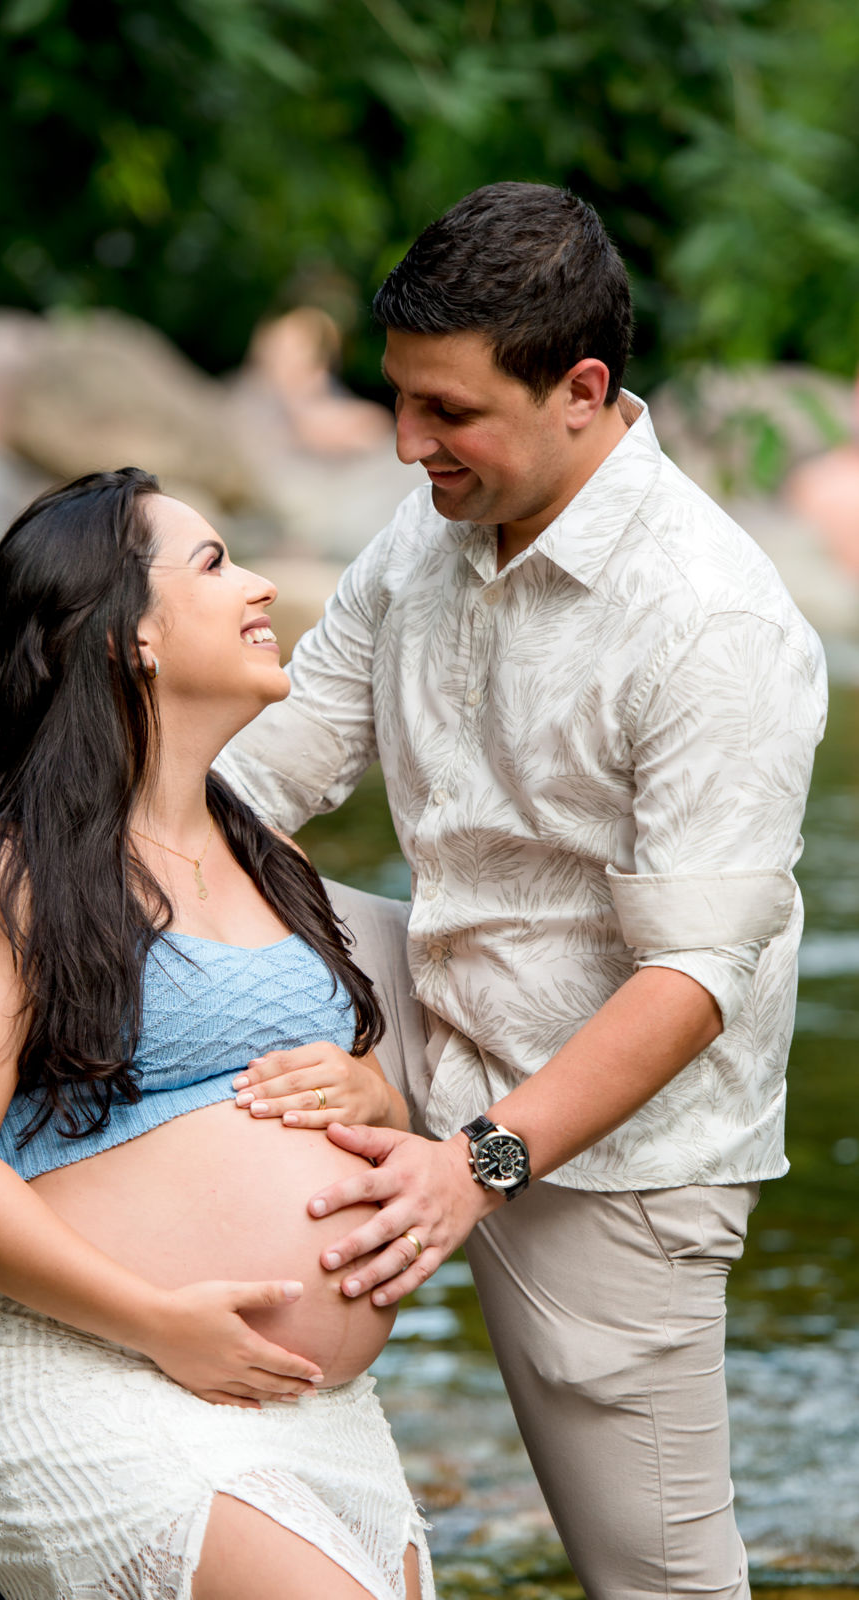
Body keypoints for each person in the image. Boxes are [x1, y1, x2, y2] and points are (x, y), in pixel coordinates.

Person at [215, 182, 829, 1598]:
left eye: (449, 413)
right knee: (149, 905)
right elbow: (266, 773)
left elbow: (691, 986)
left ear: (583, 390)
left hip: (619, 1148)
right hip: (429, 989)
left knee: (654, 1582)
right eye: (400, 401)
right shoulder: (429, 528)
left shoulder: (714, 624)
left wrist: (470, 1163)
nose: (406, 444)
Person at [0, 467, 434, 1600]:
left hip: (306, 1407)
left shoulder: (272, 856)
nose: (262, 583)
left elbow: (344, 1078)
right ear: (129, 639)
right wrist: (161, 1323)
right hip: (93, 1372)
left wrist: (379, 1102)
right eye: (216, 564)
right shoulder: (0, 884)